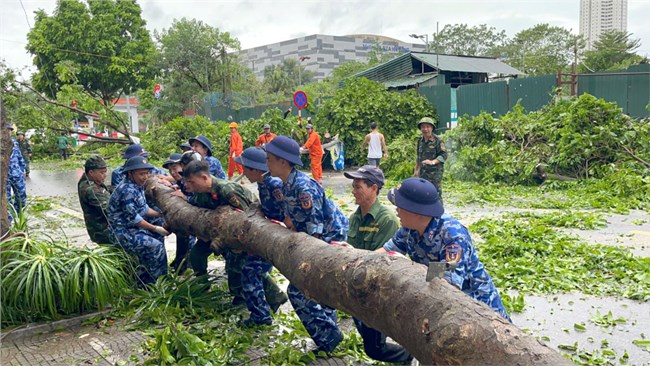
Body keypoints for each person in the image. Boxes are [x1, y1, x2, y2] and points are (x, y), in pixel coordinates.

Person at [379, 177, 511, 321]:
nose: (396, 211)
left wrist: (409, 267)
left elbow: (449, 278)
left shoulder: (453, 235)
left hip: (478, 311)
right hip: (437, 299)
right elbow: (388, 250)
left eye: (400, 207)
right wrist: (357, 255)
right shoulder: (409, 228)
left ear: (416, 211)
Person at [265, 135, 347, 354]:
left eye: (270, 159)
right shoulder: (285, 185)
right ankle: (329, 338)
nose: (267, 164)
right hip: (312, 239)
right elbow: (292, 219)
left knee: (300, 291)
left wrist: (307, 262)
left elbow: (316, 229)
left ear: (283, 161)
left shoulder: (303, 187)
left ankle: (330, 338)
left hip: (328, 241)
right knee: (315, 290)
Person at [175, 160, 286, 310]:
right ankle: (202, 286)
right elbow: (197, 205)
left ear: (204, 178)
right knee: (196, 254)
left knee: (238, 264)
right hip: (216, 232)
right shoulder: (200, 193)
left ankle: (263, 297)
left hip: (240, 233)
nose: (188, 186)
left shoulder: (226, 190)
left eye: (191, 182)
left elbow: (248, 218)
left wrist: (239, 243)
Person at [342, 165, 413, 363]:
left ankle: (408, 356)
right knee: (370, 341)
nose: (353, 191)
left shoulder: (387, 220)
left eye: (358, 187)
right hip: (358, 284)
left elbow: (384, 262)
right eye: (353, 186)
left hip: (376, 290)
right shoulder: (355, 217)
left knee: (374, 348)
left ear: (374, 188)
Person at [234, 147, 289, 326]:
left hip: (280, 235)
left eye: (245, 169)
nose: (243, 173)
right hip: (269, 233)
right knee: (249, 268)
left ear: (255, 170)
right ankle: (268, 305)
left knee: (250, 271)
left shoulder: (274, 185)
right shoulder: (263, 183)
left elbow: (287, 212)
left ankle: (261, 316)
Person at [108, 156, 170, 285]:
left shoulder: (137, 185)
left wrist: (162, 214)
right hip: (122, 231)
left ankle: (160, 277)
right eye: (141, 174)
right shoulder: (127, 190)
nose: (145, 177)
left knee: (158, 238)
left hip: (132, 228)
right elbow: (135, 219)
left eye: (147, 173)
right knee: (155, 246)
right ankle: (153, 284)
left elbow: (144, 209)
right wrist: (155, 228)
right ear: (130, 173)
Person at [162, 153, 195, 273]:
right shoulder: (181, 181)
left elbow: (198, 199)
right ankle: (180, 265)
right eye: (170, 170)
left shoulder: (192, 180)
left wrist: (185, 197)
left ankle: (186, 266)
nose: (173, 172)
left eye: (175, 168)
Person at [78, 155, 114, 244]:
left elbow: (106, 189)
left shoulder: (88, 181)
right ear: (91, 172)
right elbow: (110, 211)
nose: (105, 175)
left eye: (105, 172)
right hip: (103, 232)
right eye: (102, 172)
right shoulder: (91, 190)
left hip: (102, 228)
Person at [414, 117, 448, 197]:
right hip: (423, 172)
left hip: (434, 173)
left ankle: (439, 209)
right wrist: (416, 170)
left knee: (435, 194)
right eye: (423, 127)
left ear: (432, 128)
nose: (425, 129)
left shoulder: (437, 140)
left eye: (428, 127)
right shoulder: (420, 141)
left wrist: (432, 162)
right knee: (423, 193)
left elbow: (444, 155)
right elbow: (418, 157)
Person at [6, 123, 26, 216]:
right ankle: (9, 221)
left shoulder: (14, 143)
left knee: (21, 197)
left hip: (17, 174)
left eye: (9, 130)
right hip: (4, 177)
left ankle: (18, 216)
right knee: (6, 200)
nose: (7, 132)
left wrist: (22, 170)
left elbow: (19, 157)